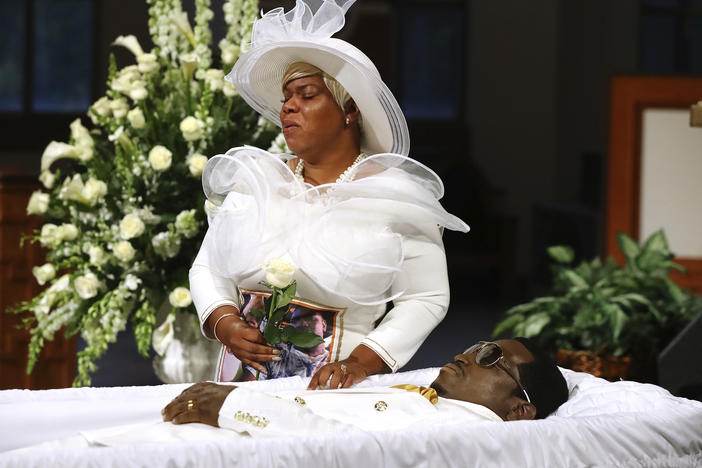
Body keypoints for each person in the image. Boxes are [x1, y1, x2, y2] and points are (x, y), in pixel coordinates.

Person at [189, 0, 470, 389]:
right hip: (236, 386)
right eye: (287, 97)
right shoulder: (258, 184)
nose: (288, 106)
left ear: (349, 110)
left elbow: (426, 297)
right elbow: (208, 267)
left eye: (306, 95)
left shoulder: (392, 197)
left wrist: (360, 363)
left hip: (337, 393)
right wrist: (224, 320)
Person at [161, 338, 570, 435]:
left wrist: (235, 405)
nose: (466, 355)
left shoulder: (456, 432)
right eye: (475, 346)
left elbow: (347, 446)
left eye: (489, 357)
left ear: (519, 409)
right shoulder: (421, 396)